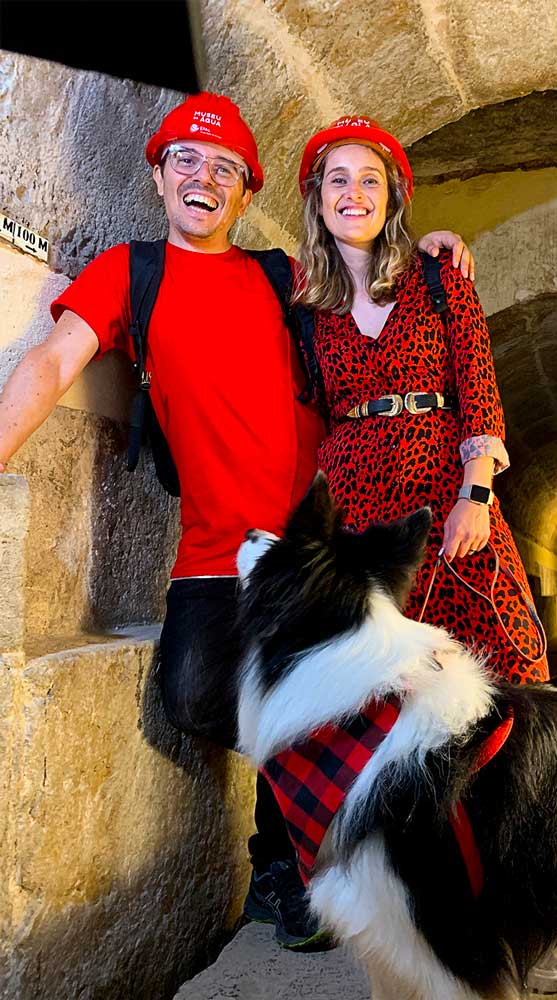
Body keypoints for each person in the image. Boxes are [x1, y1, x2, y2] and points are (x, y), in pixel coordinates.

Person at [0, 93, 475, 952]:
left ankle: (285, 868)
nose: (204, 177)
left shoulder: (281, 274)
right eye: (186, 158)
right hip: (214, 556)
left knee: (309, 686)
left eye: (225, 168)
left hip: (308, 552)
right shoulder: (128, 273)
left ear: (246, 194)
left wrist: (431, 250)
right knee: (192, 695)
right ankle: (324, 824)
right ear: (157, 175)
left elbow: (371, 276)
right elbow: (50, 361)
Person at [295, 118, 557, 994]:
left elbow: (479, 388)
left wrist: (477, 495)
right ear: (317, 198)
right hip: (367, 527)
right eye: (338, 180)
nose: (354, 196)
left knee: (511, 695)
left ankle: (538, 908)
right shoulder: (306, 303)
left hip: (450, 510)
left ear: (395, 196)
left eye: (370, 181)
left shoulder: (440, 274)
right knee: (393, 725)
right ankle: (423, 912)